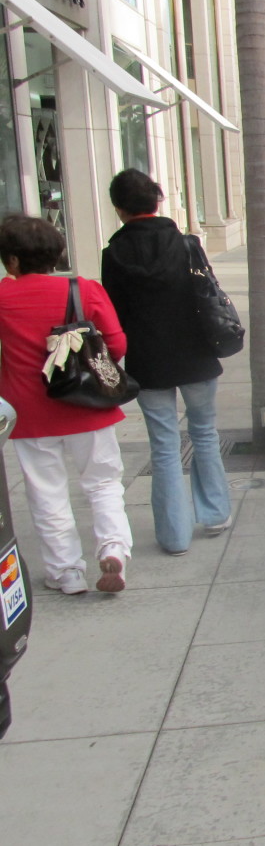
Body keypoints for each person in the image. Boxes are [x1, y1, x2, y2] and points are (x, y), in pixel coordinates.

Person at [101, 169, 232, 559]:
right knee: (204, 432)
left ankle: (174, 536)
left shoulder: (113, 255)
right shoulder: (186, 244)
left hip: (148, 359)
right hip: (195, 354)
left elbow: (114, 314)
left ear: (119, 209)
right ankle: (215, 514)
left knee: (163, 444)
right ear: (157, 202)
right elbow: (205, 293)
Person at [0, 214, 132, 593]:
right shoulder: (83, 289)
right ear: (57, 255)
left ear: (12, 260)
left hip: (28, 411)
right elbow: (118, 344)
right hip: (88, 404)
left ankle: (65, 572)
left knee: (46, 492)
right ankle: (113, 550)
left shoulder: (3, 296)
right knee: (104, 483)